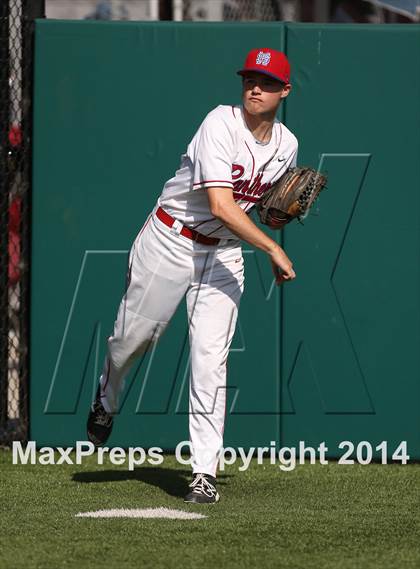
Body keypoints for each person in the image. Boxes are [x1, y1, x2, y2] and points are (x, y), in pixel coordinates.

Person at [87, 47, 298, 504]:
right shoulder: (220, 123)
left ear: (285, 91)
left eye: (265, 82)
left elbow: (259, 212)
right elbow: (223, 204)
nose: (254, 87)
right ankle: (108, 394)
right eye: (248, 79)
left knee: (210, 359)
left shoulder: (288, 145)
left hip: (223, 255)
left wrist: (279, 217)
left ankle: (204, 470)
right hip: (171, 239)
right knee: (133, 340)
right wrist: (273, 246)